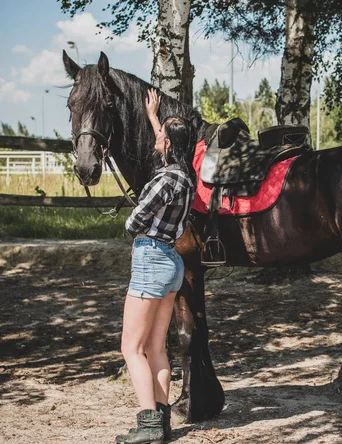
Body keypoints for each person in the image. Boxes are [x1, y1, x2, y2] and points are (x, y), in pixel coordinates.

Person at [115, 89, 195, 444]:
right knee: (157, 348)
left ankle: (147, 426)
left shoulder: (164, 181)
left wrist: (135, 218)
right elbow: (167, 145)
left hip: (150, 258)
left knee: (131, 348)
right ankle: (161, 424)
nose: (156, 138)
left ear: (168, 144)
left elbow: (134, 221)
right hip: (172, 263)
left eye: (161, 135)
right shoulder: (185, 178)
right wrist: (153, 117)